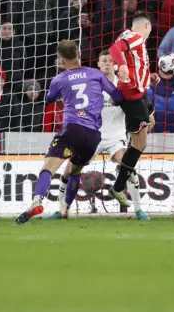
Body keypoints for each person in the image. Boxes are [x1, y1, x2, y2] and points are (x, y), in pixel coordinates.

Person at [15, 40, 124, 224]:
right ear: (79, 55)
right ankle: (65, 209)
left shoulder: (59, 79)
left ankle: (37, 201)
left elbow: (49, 98)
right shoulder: (96, 74)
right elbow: (118, 96)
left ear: (61, 61)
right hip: (93, 136)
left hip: (72, 129)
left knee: (48, 167)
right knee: (74, 170)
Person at [47, 50, 150, 220]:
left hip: (116, 136)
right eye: (104, 61)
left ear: (115, 64)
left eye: (111, 60)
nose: (108, 63)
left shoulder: (124, 84)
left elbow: (137, 104)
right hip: (92, 134)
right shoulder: (90, 83)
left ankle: (139, 210)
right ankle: (62, 209)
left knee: (128, 167)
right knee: (69, 170)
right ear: (99, 64)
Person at [108, 13, 159, 207]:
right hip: (132, 94)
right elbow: (114, 49)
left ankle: (125, 166)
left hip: (140, 92)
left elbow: (133, 64)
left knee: (151, 122)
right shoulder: (134, 36)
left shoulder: (132, 40)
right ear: (146, 25)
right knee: (140, 145)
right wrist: (121, 65)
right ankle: (119, 185)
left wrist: (149, 77)